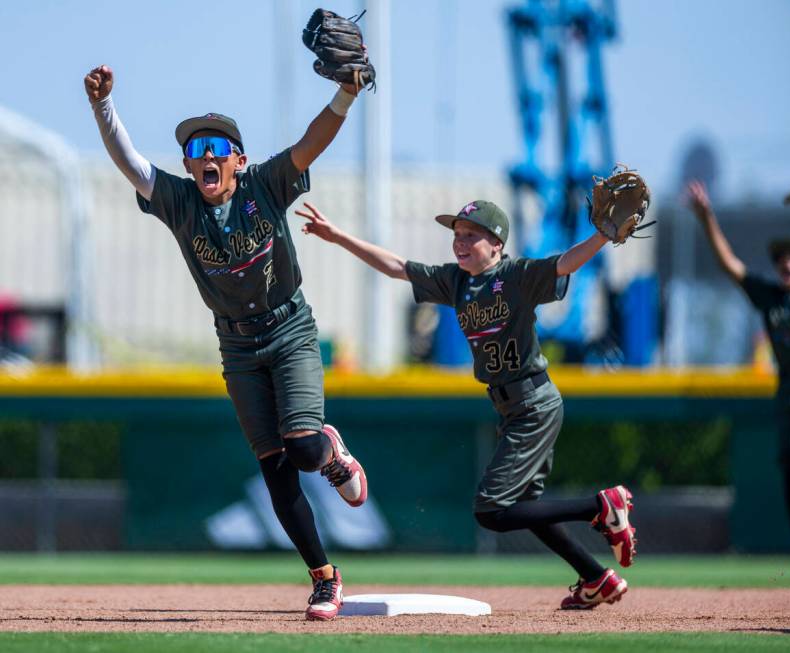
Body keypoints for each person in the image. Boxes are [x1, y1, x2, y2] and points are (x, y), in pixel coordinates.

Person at [84, 64, 369, 620]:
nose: (205, 156)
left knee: (305, 449)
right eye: (194, 149)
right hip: (236, 345)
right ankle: (325, 578)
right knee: (273, 468)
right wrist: (103, 108)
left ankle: (332, 453)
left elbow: (311, 144)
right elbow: (130, 163)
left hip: (288, 329)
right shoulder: (180, 201)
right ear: (188, 165)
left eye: (217, 146)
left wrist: (346, 93)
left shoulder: (265, 184)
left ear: (238, 158)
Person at [296, 199, 637, 609]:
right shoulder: (456, 281)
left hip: (533, 402)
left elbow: (565, 264)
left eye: (470, 235)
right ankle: (596, 577)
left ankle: (600, 506)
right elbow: (397, 266)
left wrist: (602, 235)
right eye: (456, 235)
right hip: (512, 408)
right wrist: (338, 237)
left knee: (491, 510)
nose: (459, 243)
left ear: (496, 243)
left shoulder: (516, 274)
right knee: (524, 507)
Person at [688, 180, 790, 579]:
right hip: (789, 392)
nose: (788, 262)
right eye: (782, 257)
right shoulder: (770, 296)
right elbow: (731, 264)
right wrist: (707, 217)